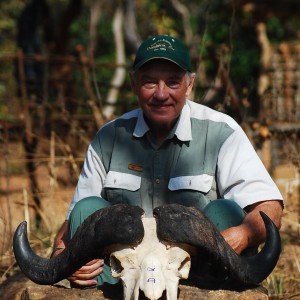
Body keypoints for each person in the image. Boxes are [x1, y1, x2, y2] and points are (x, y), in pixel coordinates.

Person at [52, 35, 283, 288]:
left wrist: (243, 234)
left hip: (194, 276)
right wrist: (62, 255)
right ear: (133, 83)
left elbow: (269, 207)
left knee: (224, 211)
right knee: (87, 208)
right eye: (150, 82)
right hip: (123, 277)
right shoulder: (109, 137)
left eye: (173, 82)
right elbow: (73, 219)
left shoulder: (221, 132)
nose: (161, 94)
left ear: (190, 84)